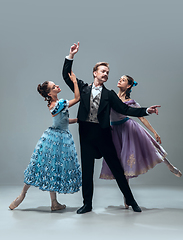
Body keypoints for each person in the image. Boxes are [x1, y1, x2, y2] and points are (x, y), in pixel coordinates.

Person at [62, 42, 161, 214]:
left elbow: (125, 109)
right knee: (87, 170)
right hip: (86, 134)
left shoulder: (110, 94)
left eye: (107, 72)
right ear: (95, 73)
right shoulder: (83, 88)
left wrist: (146, 110)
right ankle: (87, 204)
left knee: (117, 169)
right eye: (103, 71)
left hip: (103, 134)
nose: (106, 74)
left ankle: (131, 200)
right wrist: (71, 55)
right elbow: (66, 75)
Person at [99, 75, 182, 208]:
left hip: (128, 129)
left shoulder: (130, 102)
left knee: (151, 147)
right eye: (120, 78)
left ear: (129, 86)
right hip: (114, 132)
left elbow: (142, 117)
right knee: (122, 163)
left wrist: (154, 132)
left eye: (124, 80)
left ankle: (170, 166)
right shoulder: (111, 97)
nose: (119, 80)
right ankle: (127, 196)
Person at [9, 71, 82, 211]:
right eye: (54, 86)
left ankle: (53, 202)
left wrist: (79, 120)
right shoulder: (59, 103)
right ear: (50, 93)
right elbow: (77, 98)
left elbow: (64, 121)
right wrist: (74, 82)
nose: (57, 86)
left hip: (55, 136)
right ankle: (22, 196)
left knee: (49, 167)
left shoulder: (56, 104)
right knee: (42, 166)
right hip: (57, 138)